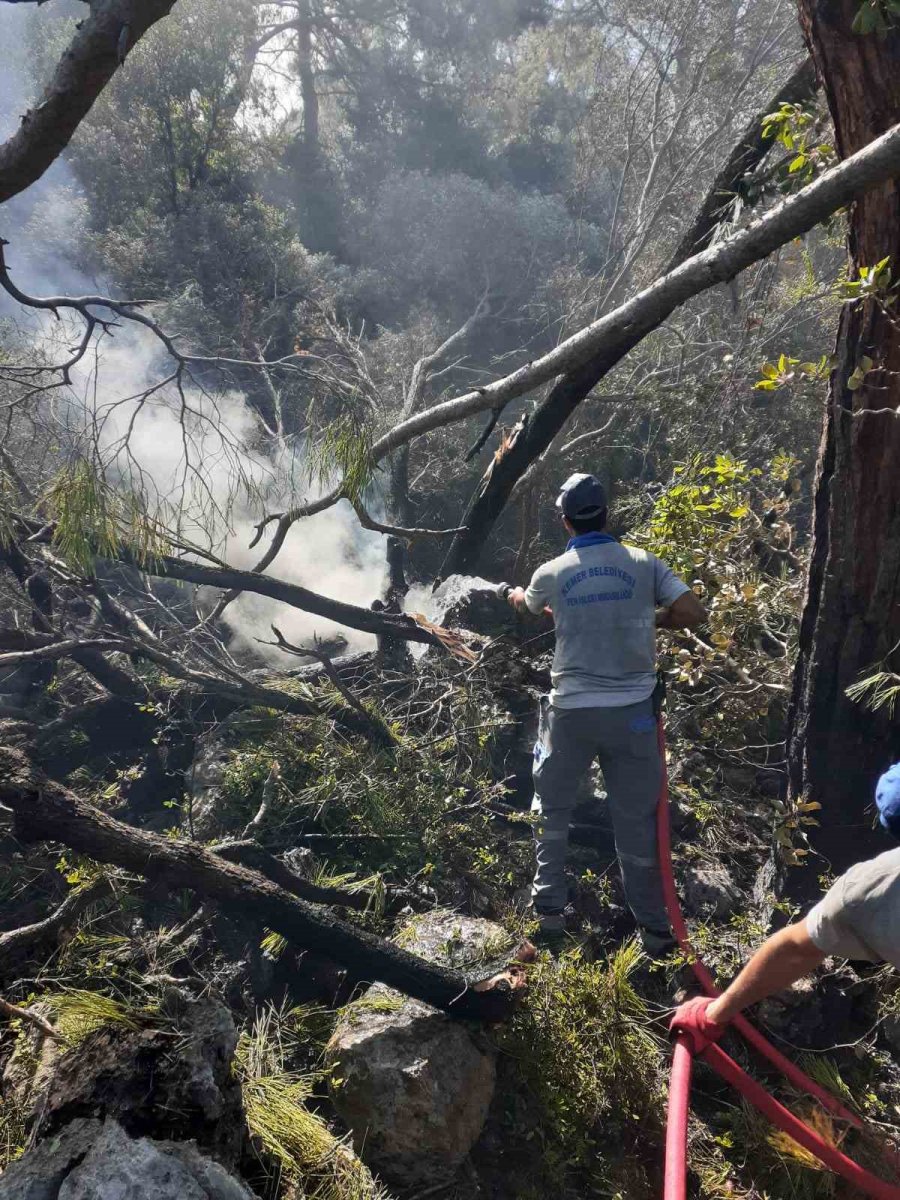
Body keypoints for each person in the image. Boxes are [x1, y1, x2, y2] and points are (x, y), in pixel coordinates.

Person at [506, 472, 707, 953]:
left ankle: (548, 916)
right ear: (607, 514)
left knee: (552, 809)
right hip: (633, 717)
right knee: (635, 822)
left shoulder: (552, 572)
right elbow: (693, 612)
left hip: (571, 714)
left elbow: (527, 607)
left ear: (565, 521)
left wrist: (509, 593)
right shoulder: (643, 563)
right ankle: (655, 933)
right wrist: (650, 617)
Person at [672, 762, 900, 1048]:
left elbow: (796, 949)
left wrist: (711, 1017)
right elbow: (795, 949)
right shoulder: (873, 887)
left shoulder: (872, 888)